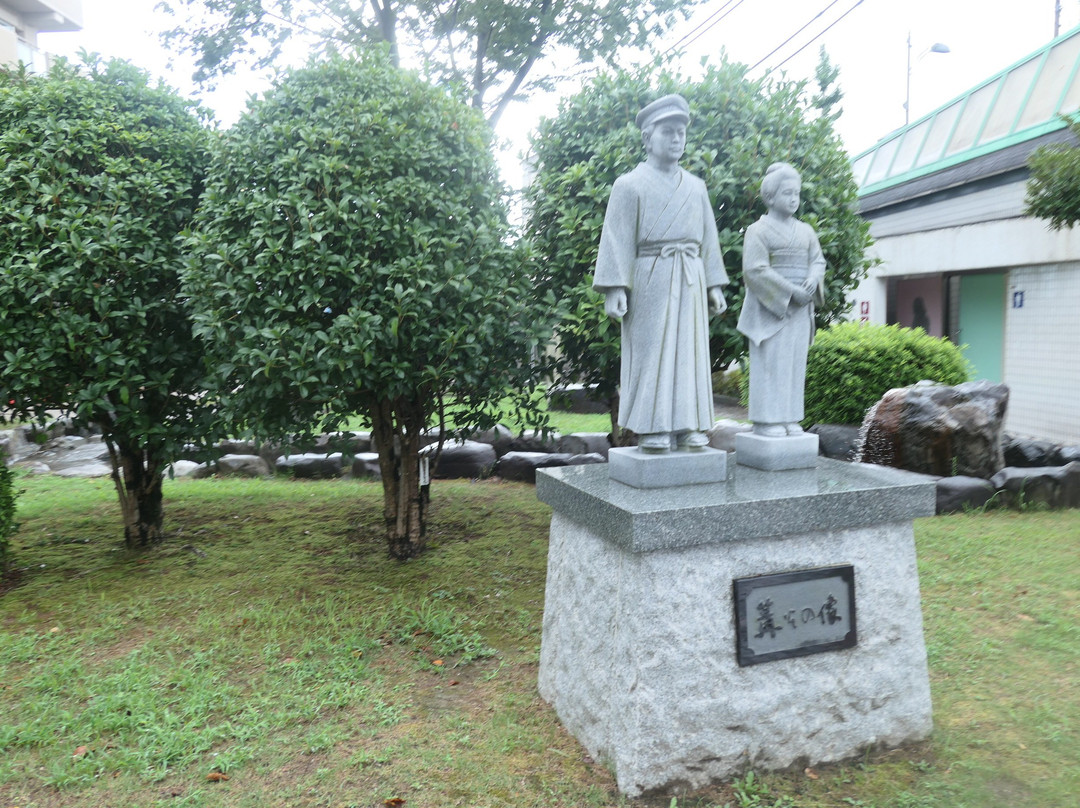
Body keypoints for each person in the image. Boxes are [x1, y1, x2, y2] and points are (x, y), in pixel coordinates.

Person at [593, 94, 728, 453]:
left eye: (681, 131)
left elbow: (708, 238)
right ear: (647, 137)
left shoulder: (696, 187)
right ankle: (653, 428)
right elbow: (617, 237)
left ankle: (689, 425)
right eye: (668, 131)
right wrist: (615, 287)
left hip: (690, 277)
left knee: (689, 351)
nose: (676, 138)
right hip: (651, 276)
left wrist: (714, 283)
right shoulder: (629, 185)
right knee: (651, 352)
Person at [737, 162, 826, 437]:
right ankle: (768, 420)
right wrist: (790, 291)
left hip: (800, 309)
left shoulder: (806, 231)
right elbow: (755, 269)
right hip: (772, 307)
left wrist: (812, 279)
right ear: (770, 196)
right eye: (787, 193)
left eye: (797, 193)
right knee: (771, 364)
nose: (793, 199)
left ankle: (790, 418)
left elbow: (818, 260)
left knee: (794, 365)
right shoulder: (758, 230)